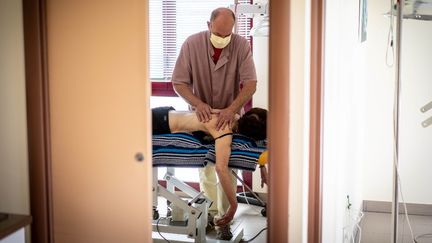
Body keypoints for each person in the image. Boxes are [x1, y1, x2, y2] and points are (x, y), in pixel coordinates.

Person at [171, 7, 258, 236]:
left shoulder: (241, 45)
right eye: (218, 34)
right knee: (206, 165)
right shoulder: (192, 44)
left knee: (225, 164)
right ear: (208, 25)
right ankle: (207, 215)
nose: (222, 39)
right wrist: (198, 103)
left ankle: (225, 218)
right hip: (201, 116)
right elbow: (178, 82)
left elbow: (250, 83)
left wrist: (232, 109)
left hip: (229, 114)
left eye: (227, 35)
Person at [152, 107, 266, 228]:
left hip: (164, 113)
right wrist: (233, 206)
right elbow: (221, 169)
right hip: (157, 123)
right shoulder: (224, 130)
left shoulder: (232, 116)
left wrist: (262, 166)